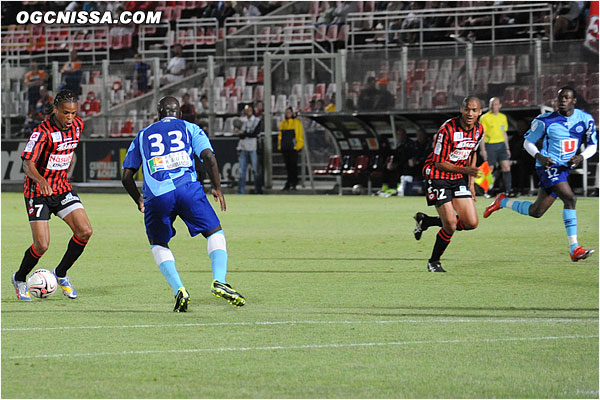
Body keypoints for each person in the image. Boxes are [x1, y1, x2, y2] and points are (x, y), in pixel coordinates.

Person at [121, 96, 245, 312]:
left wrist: (139, 200)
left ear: (159, 114)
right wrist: (217, 187)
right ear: (179, 113)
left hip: (158, 196)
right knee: (215, 232)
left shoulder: (142, 135)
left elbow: (126, 176)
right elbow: (209, 157)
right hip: (188, 189)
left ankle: (179, 289)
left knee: (158, 243)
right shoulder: (190, 128)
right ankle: (219, 281)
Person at [483, 87, 597, 262]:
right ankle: (574, 248)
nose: (563, 101)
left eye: (567, 98)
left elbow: (593, 145)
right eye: (560, 98)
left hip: (564, 169)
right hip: (548, 166)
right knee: (570, 198)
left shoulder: (585, 120)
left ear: (574, 101)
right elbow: (528, 142)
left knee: (536, 211)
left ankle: (502, 201)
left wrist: (581, 156)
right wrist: (540, 157)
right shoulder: (545, 120)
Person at [12, 89, 93, 301]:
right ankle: (20, 278)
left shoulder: (78, 126)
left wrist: (64, 166)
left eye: (74, 113)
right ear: (55, 109)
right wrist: (41, 180)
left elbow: (69, 151)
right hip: (37, 191)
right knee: (42, 245)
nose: (70, 117)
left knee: (85, 231)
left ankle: (61, 273)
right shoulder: (42, 132)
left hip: (62, 188)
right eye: (66, 112)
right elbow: (27, 163)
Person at [412, 96, 484, 272]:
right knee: (451, 225)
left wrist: (471, 183)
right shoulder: (447, 130)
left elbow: (472, 153)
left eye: (474, 110)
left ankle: (427, 221)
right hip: (437, 176)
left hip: (458, 176)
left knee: (471, 223)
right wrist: (466, 172)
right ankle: (433, 262)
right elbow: (439, 163)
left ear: (480, 112)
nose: (470, 113)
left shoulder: (479, 130)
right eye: (467, 109)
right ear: (461, 109)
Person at [479, 97, 514, 197]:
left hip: (501, 145)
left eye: (496, 104)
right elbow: (482, 135)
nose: (494, 106)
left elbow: (504, 133)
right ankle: (486, 191)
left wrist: (507, 148)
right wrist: (483, 149)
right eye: (492, 104)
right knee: (490, 168)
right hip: (490, 145)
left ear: (500, 105)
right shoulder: (484, 118)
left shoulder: (503, 117)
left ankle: (508, 190)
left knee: (506, 167)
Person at [235, 104, 262, 194]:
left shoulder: (257, 121)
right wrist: (244, 133)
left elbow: (254, 133)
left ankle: (258, 190)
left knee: (255, 170)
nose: (248, 112)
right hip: (243, 147)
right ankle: (240, 191)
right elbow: (240, 135)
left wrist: (244, 133)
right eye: (247, 110)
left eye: (250, 110)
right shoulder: (244, 121)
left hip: (253, 147)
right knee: (242, 171)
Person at [278, 107, 305, 191]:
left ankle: (293, 182)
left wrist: (298, 146)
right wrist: (280, 146)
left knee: (293, 165)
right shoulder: (283, 123)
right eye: (287, 112)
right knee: (288, 166)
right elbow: (280, 136)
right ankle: (289, 182)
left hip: (293, 148)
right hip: (285, 148)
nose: (288, 114)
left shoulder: (297, 123)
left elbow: (299, 135)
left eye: (289, 112)